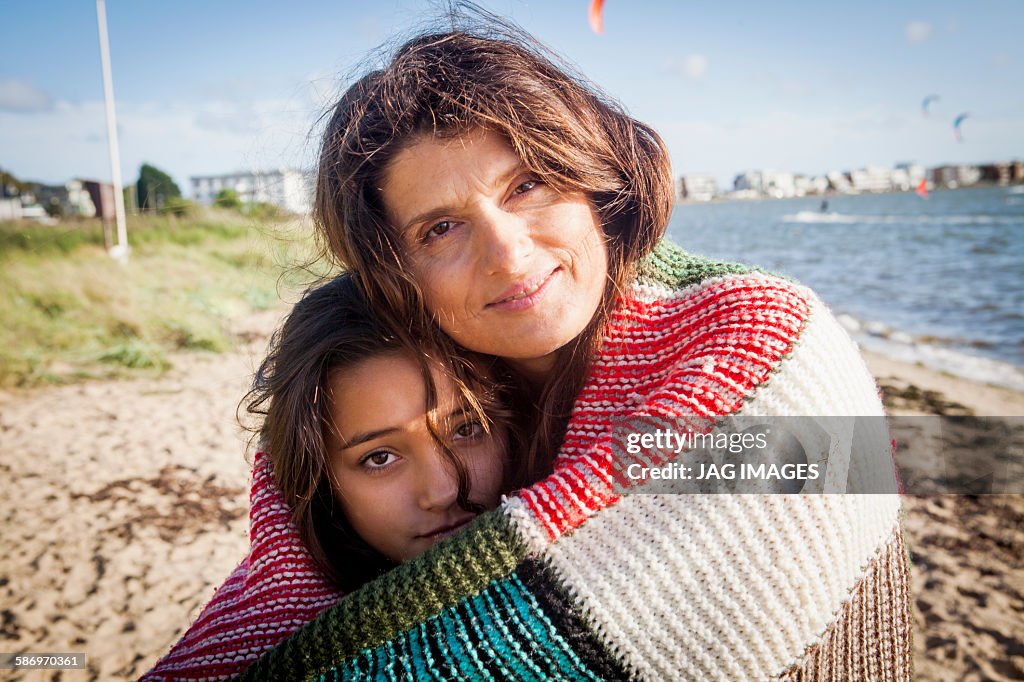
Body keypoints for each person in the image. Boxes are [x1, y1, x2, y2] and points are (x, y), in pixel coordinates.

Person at [146, 15, 910, 682]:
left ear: (595, 182)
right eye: (439, 228)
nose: (508, 255)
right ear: (395, 276)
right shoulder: (404, 387)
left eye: (528, 185)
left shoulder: (759, 341)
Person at [243, 274, 516, 592]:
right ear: (322, 485)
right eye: (380, 458)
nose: (443, 492)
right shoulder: (269, 637)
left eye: (467, 429)